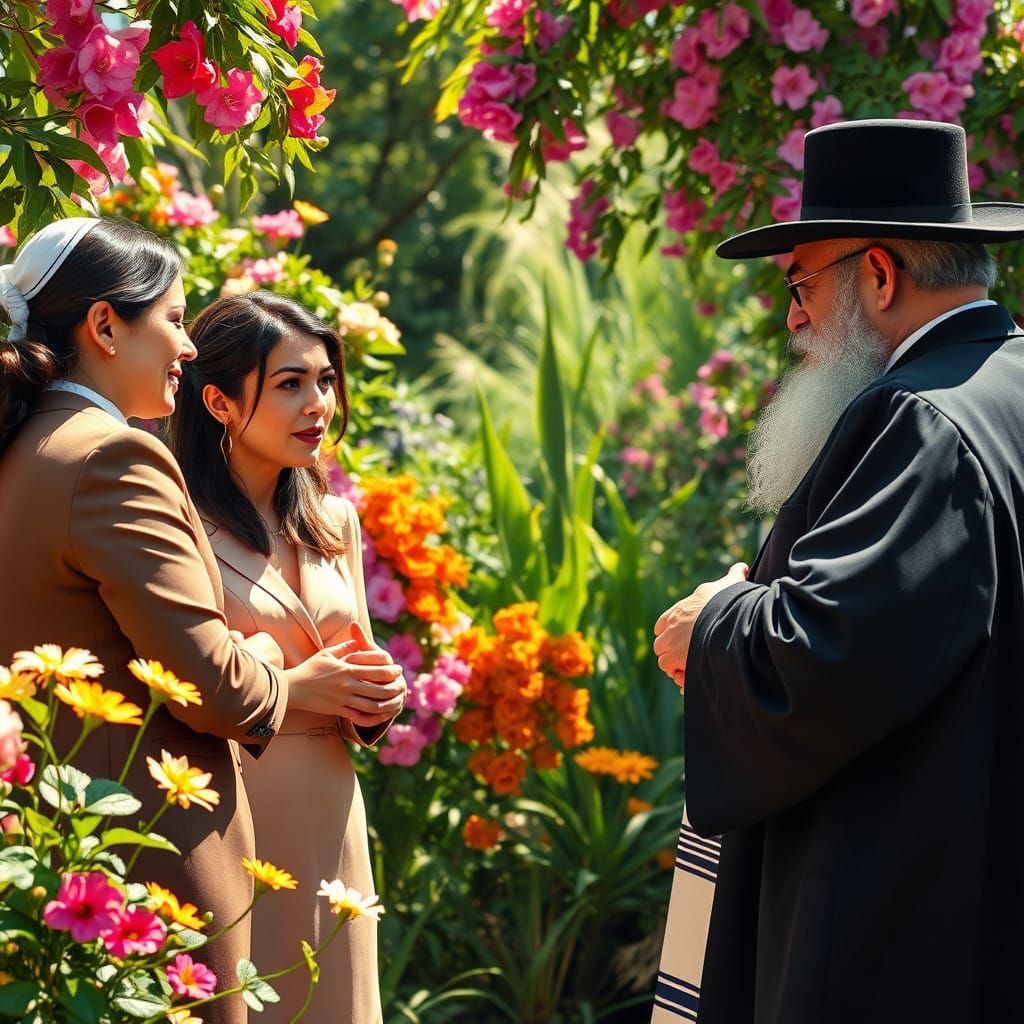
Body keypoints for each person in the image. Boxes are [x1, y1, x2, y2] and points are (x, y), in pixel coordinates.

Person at [652, 119, 1024, 1023]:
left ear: (881, 274)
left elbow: (827, 654)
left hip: (894, 924)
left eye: (800, 283)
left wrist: (710, 624)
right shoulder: (1005, 384)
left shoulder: (921, 418)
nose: (791, 316)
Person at [0, 217, 374, 1024]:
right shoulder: (112, 456)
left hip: (66, 840)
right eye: (172, 319)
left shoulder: (27, 444)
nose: (187, 344)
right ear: (105, 326)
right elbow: (212, 685)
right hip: (150, 851)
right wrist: (296, 682)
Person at [170, 290, 406, 1024]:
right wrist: (300, 684)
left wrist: (380, 697)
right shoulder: (178, 522)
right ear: (218, 401)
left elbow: (356, 656)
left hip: (332, 807)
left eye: (325, 381)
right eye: (289, 384)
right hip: (235, 804)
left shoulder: (333, 518)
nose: (317, 405)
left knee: (339, 999)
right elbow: (187, 682)